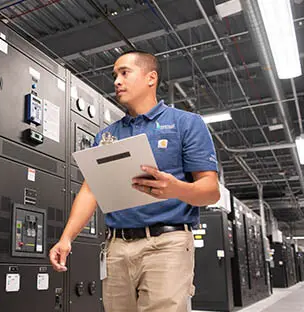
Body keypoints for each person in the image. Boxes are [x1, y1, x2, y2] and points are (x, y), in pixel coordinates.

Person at [49, 50, 220, 312]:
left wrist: (176, 188)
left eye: (125, 73)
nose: (117, 81)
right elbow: (90, 190)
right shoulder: (108, 135)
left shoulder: (186, 123)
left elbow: (210, 191)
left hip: (167, 244)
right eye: (115, 75)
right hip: (117, 248)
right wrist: (66, 238)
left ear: (151, 78)